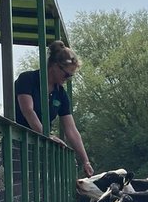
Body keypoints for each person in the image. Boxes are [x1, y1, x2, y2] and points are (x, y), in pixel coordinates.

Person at [14, 40, 94, 175]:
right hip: (17, 144)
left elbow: (71, 129)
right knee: (19, 182)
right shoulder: (27, 79)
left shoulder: (61, 94)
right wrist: (47, 136)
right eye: (67, 75)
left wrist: (86, 161)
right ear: (55, 66)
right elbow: (28, 110)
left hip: (41, 149)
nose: (68, 79)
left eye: (71, 76)